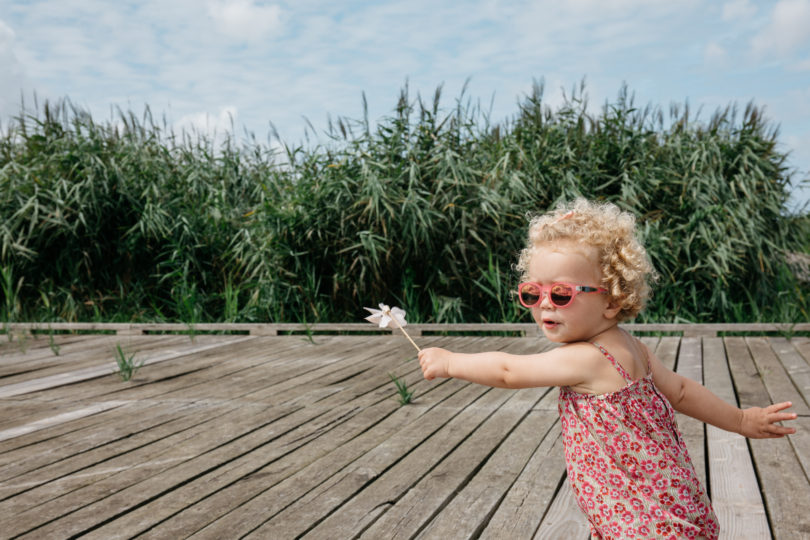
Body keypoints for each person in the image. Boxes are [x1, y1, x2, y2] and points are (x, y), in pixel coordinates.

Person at [418, 198, 797, 539]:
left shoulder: (588, 358)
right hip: (666, 502)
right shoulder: (634, 348)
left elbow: (507, 371)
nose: (544, 305)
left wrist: (451, 361)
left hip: (639, 520)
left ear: (612, 301)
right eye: (533, 292)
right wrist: (741, 421)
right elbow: (681, 392)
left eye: (561, 294)